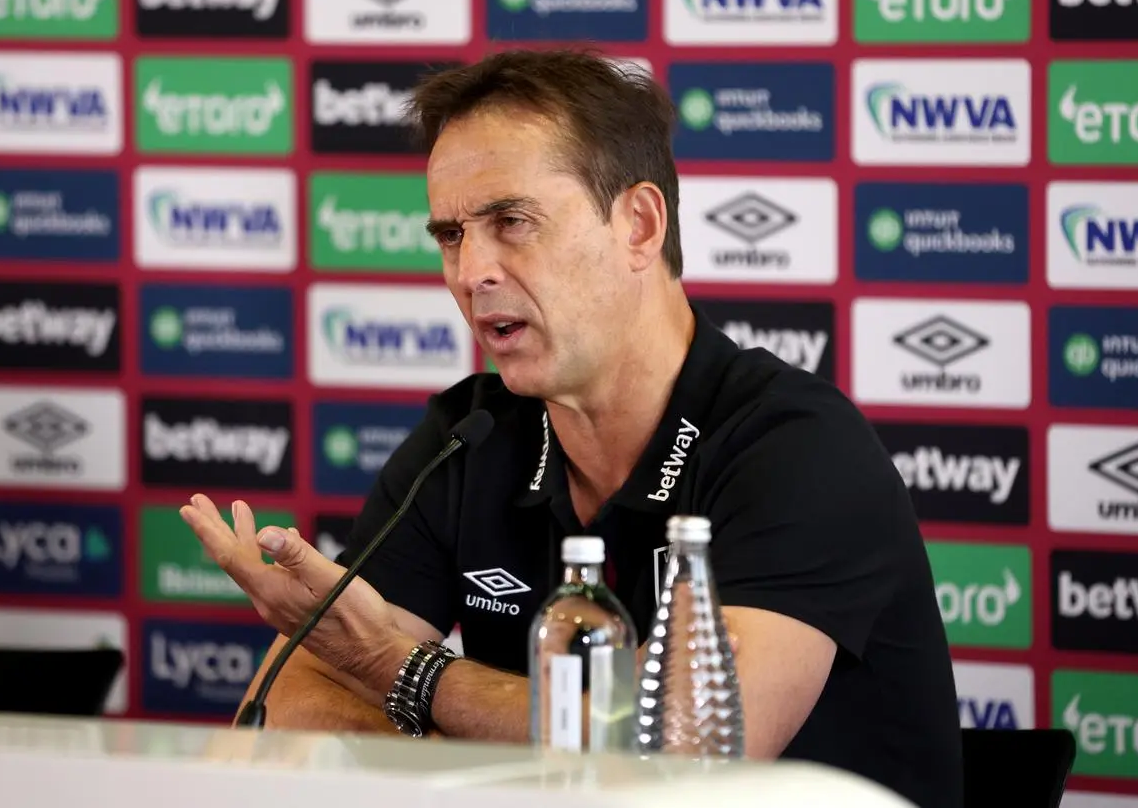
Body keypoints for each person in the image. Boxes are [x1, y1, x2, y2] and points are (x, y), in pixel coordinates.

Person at [180, 48, 963, 807]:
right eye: (450, 235)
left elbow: (683, 757)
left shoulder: (796, 444)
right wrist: (517, 747)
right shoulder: (471, 431)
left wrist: (402, 672)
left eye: (511, 220)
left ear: (639, 225)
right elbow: (284, 704)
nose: (470, 271)